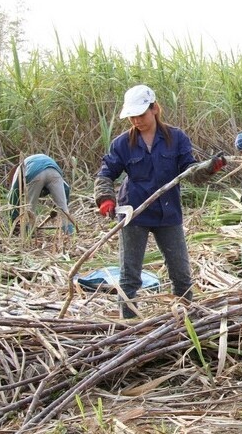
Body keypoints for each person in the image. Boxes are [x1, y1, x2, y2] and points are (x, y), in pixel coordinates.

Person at [94, 85, 226, 319]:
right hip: (134, 213)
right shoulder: (122, 144)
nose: (136, 121)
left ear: (154, 109)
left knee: (181, 272)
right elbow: (105, 174)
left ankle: (185, 319)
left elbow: (190, 172)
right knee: (129, 275)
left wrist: (208, 169)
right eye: (132, 117)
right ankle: (129, 323)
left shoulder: (176, 138)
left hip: (168, 212)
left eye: (141, 115)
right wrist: (105, 198)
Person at [8, 153, 75, 235]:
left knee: (30, 209)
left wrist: (13, 221)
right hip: (54, 172)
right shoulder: (30, 163)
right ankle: (70, 233)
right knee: (64, 209)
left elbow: (13, 196)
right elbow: (66, 189)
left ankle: (28, 235)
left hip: (35, 174)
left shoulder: (18, 170)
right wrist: (56, 209)